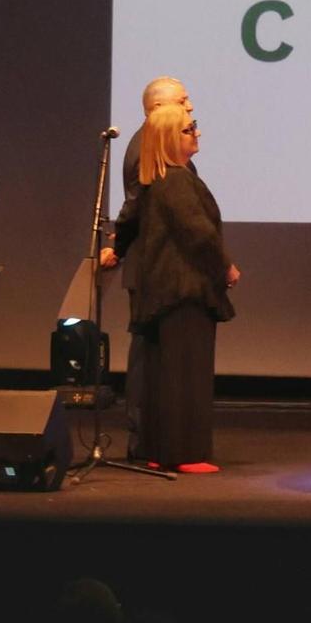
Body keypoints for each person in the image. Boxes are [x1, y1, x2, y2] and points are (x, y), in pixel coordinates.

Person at [128, 103, 238, 472]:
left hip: (167, 290)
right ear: (169, 138)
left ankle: (162, 449)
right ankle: (185, 453)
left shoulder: (160, 179)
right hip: (184, 289)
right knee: (186, 372)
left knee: (166, 372)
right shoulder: (175, 179)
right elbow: (198, 231)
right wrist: (225, 267)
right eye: (190, 128)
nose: (197, 133)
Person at [100, 76, 193, 457]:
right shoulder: (145, 147)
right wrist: (119, 247)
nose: (190, 108)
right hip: (152, 264)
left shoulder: (160, 143)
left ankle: (156, 436)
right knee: (145, 353)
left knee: (155, 352)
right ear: (158, 109)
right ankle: (142, 438)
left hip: (159, 263)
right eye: (183, 101)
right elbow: (136, 206)